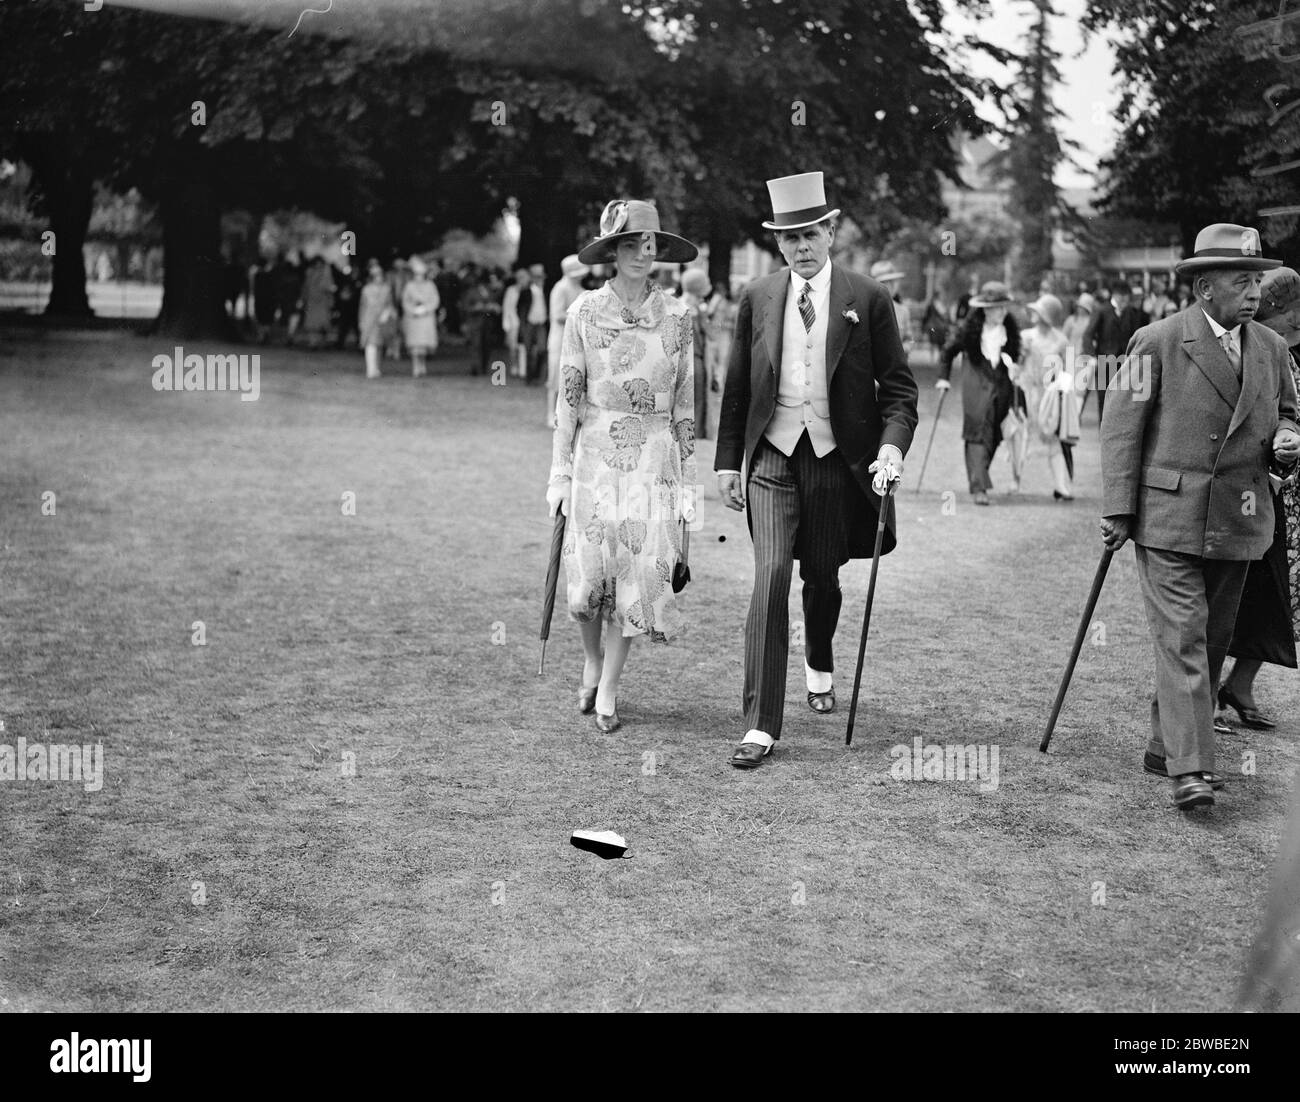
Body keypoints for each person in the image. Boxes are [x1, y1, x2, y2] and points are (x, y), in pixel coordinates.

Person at [715, 171, 918, 769]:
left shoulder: (869, 298)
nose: (800, 246)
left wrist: (892, 447)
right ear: (778, 243)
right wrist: (729, 462)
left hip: (837, 462)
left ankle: (819, 660)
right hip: (773, 458)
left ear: (832, 231)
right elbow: (736, 389)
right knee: (771, 575)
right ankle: (760, 724)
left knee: (821, 580)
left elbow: (900, 391)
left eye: (810, 233)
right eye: (788, 237)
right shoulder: (757, 297)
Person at [1100, 223, 1300, 811]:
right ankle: (1193, 769)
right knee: (1183, 637)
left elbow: (1288, 415)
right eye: (1242, 280)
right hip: (1170, 518)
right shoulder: (1155, 341)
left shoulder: (1271, 348)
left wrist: (1289, 437)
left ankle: (1166, 746)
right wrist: (1118, 508)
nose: (1254, 291)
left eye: (1256, 279)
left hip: (1241, 522)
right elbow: (1120, 430)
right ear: (1205, 287)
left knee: (1211, 642)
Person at [547, 199, 699, 734]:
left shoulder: (679, 317)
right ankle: (590, 659)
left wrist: (690, 487)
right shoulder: (584, 313)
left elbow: (685, 405)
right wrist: (559, 476)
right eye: (630, 243)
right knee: (588, 582)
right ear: (613, 251)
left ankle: (609, 686)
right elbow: (568, 398)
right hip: (594, 457)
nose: (641, 253)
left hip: (654, 461)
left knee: (636, 577)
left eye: (649, 243)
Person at [1218, 266, 1300, 728]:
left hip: (1286, 503)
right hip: (1256, 495)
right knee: (1233, 596)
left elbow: (1290, 415)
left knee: (1279, 599)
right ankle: (1203, 697)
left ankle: (1240, 684)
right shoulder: (1251, 351)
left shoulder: (1282, 352)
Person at [938, 281, 1020, 505]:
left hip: (1001, 387)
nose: (1002, 312)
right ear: (986, 309)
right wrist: (943, 379)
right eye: (997, 308)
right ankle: (979, 487)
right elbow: (948, 352)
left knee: (993, 434)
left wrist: (1014, 367)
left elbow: (1016, 359)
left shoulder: (1010, 331)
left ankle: (979, 477)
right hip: (976, 385)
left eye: (1005, 307)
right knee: (976, 431)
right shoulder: (969, 330)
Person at [1019, 293, 1080, 500]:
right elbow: (1015, 367)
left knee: (1054, 439)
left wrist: (1063, 386)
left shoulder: (1061, 340)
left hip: (1050, 398)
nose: (1034, 314)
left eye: (1039, 311)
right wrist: (1020, 354)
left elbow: (1070, 369)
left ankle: (1061, 486)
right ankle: (1014, 481)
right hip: (1028, 392)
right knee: (1020, 436)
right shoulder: (1025, 336)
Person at [546, 254, 590, 425]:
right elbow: (557, 315)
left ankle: (571, 414)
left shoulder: (580, 290)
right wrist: (580, 315)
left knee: (575, 378)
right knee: (555, 379)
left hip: (576, 340)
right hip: (560, 339)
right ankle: (551, 414)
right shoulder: (561, 288)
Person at [1081, 281, 1125, 422]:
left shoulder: (1130, 312)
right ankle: (1103, 431)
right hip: (1104, 361)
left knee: (1123, 399)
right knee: (1104, 399)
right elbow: (1088, 334)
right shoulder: (1102, 310)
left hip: (1124, 363)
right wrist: (1092, 355)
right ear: (1117, 295)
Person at [680, 268, 712, 440]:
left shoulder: (677, 304)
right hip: (695, 362)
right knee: (698, 405)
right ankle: (696, 437)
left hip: (680, 362)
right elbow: (713, 333)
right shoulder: (696, 310)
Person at [358, 258, 397, 380]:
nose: (378, 278)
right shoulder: (366, 290)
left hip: (382, 320)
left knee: (378, 344)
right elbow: (362, 306)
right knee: (370, 344)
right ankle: (370, 369)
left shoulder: (387, 289)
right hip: (369, 319)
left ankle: (376, 368)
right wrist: (361, 321)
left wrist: (388, 313)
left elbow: (390, 305)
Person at [402, 255, 440, 377]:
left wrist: (425, 309)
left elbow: (435, 300)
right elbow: (405, 301)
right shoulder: (409, 286)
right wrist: (413, 310)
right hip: (413, 319)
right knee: (415, 346)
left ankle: (422, 365)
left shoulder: (430, 285)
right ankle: (415, 367)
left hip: (426, 318)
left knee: (423, 346)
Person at [870, 260, 911, 354]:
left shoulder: (903, 311)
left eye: (892, 281)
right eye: (884, 282)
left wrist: (906, 347)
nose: (890, 285)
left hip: (897, 362)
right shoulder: (867, 308)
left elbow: (909, 338)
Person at [521, 263, 550, 384]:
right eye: (537, 277)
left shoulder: (546, 291)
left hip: (541, 323)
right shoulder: (527, 291)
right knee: (528, 350)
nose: (540, 280)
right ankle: (529, 377)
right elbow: (521, 308)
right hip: (530, 323)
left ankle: (537, 375)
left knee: (542, 349)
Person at [502, 268, 529, 378]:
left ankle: (523, 369)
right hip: (513, 322)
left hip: (525, 322)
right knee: (513, 347)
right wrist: (506, 323)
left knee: (523, 347)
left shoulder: (530, 290)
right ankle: (514, 367)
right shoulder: (511, 290)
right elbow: (507, 307)